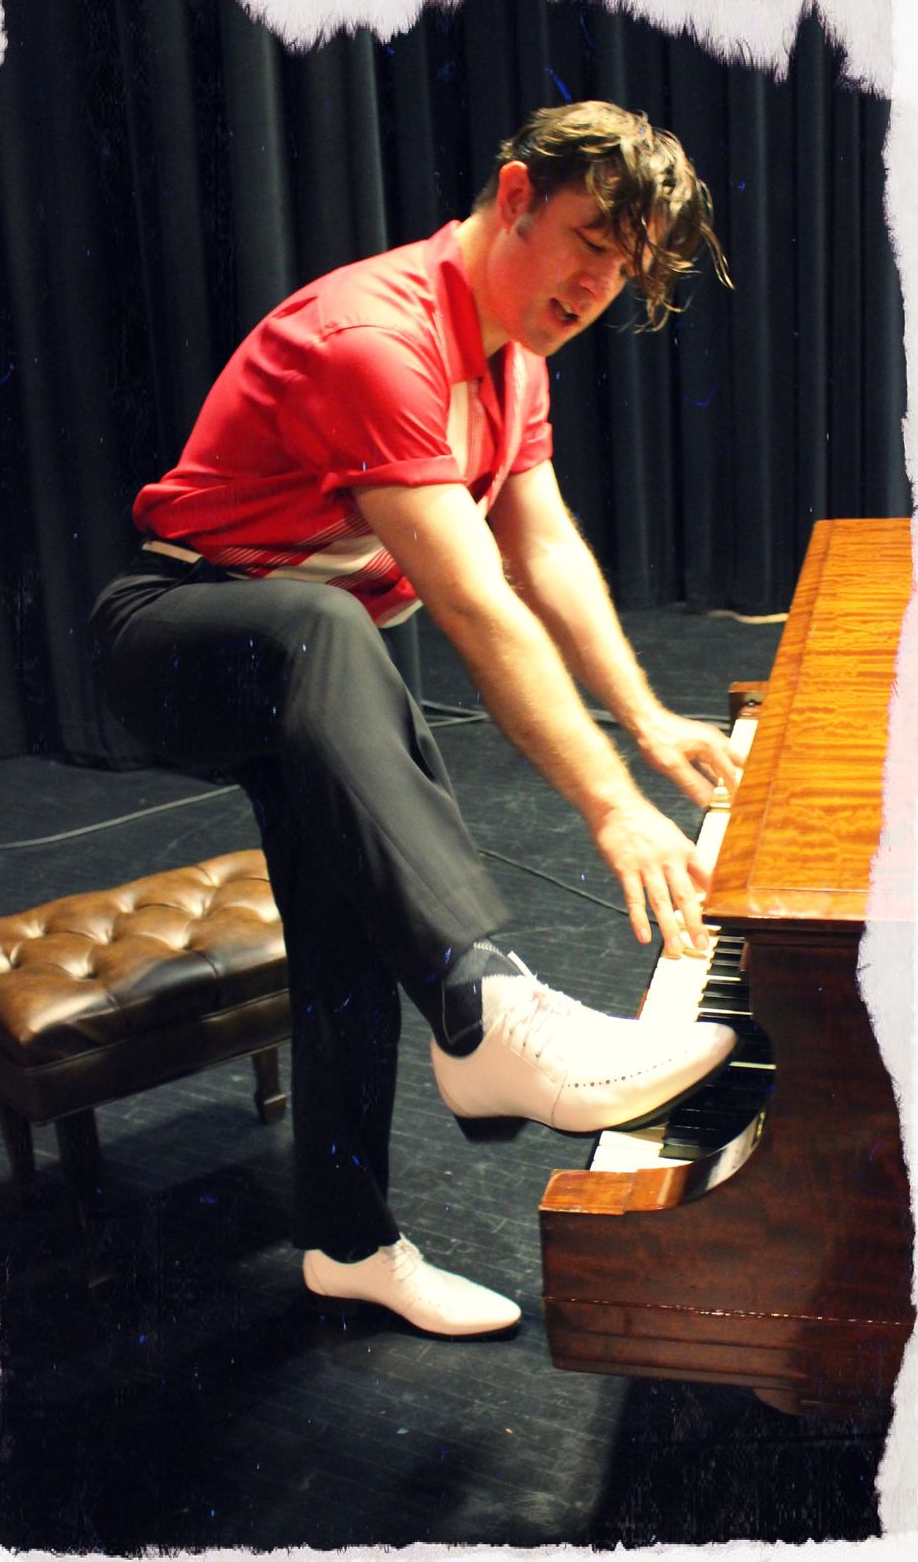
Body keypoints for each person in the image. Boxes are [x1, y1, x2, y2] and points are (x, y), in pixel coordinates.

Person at [89, 99, 740, 1340]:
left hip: (300, 668)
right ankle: (480, 1002)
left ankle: (350, 1244)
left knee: (346, 924)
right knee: (330, 627)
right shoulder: (374, 340)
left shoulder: (514, 357)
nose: (598, 286)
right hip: (173, 637)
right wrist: (611, 805)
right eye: (589, 243)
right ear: (516, 196)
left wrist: (649, 720)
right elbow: (477, 604)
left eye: (626, 267)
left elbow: (544, 551)